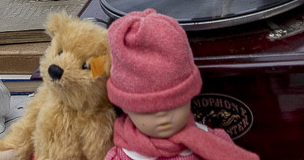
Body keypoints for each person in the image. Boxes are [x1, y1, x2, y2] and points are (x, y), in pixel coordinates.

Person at [105, 9, 259, 160]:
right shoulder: (122, 157)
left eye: (174, 104)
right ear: (125, 107)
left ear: (189, 96)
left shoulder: (216, 143)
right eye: (147, 110)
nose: (163, 116)